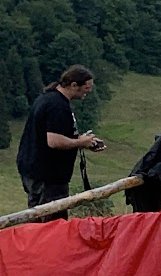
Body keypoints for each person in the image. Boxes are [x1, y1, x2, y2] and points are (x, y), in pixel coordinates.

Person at [15, 65, 107, 209]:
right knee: (52, 222)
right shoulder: (57, 106)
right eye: (86, 88)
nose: (88, 92)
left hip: (35, 170)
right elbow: (53, 141)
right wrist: (81, 143)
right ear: (74, 85)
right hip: (48, 176)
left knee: (36, 218)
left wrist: (82, 140)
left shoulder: (47, 98)